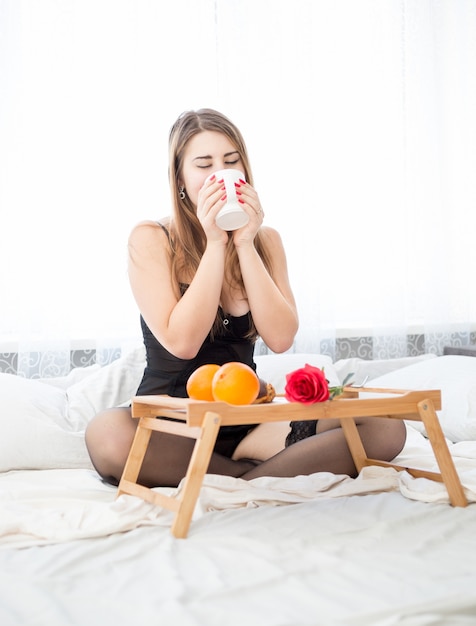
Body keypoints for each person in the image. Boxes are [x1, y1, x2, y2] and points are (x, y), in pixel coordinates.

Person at [85, 108, 406, 488]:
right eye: (204, 164)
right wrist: (216, 243)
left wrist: (244, 242)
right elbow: (183, 343)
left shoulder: (265, 241)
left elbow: (282, 338)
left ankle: (238, 478)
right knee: (107, 433)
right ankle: (258, 479)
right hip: (173, 424)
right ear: (181, 179)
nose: (220, 173)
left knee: (386, 426)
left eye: (231, 161)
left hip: (250, 424)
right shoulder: (152, 238)